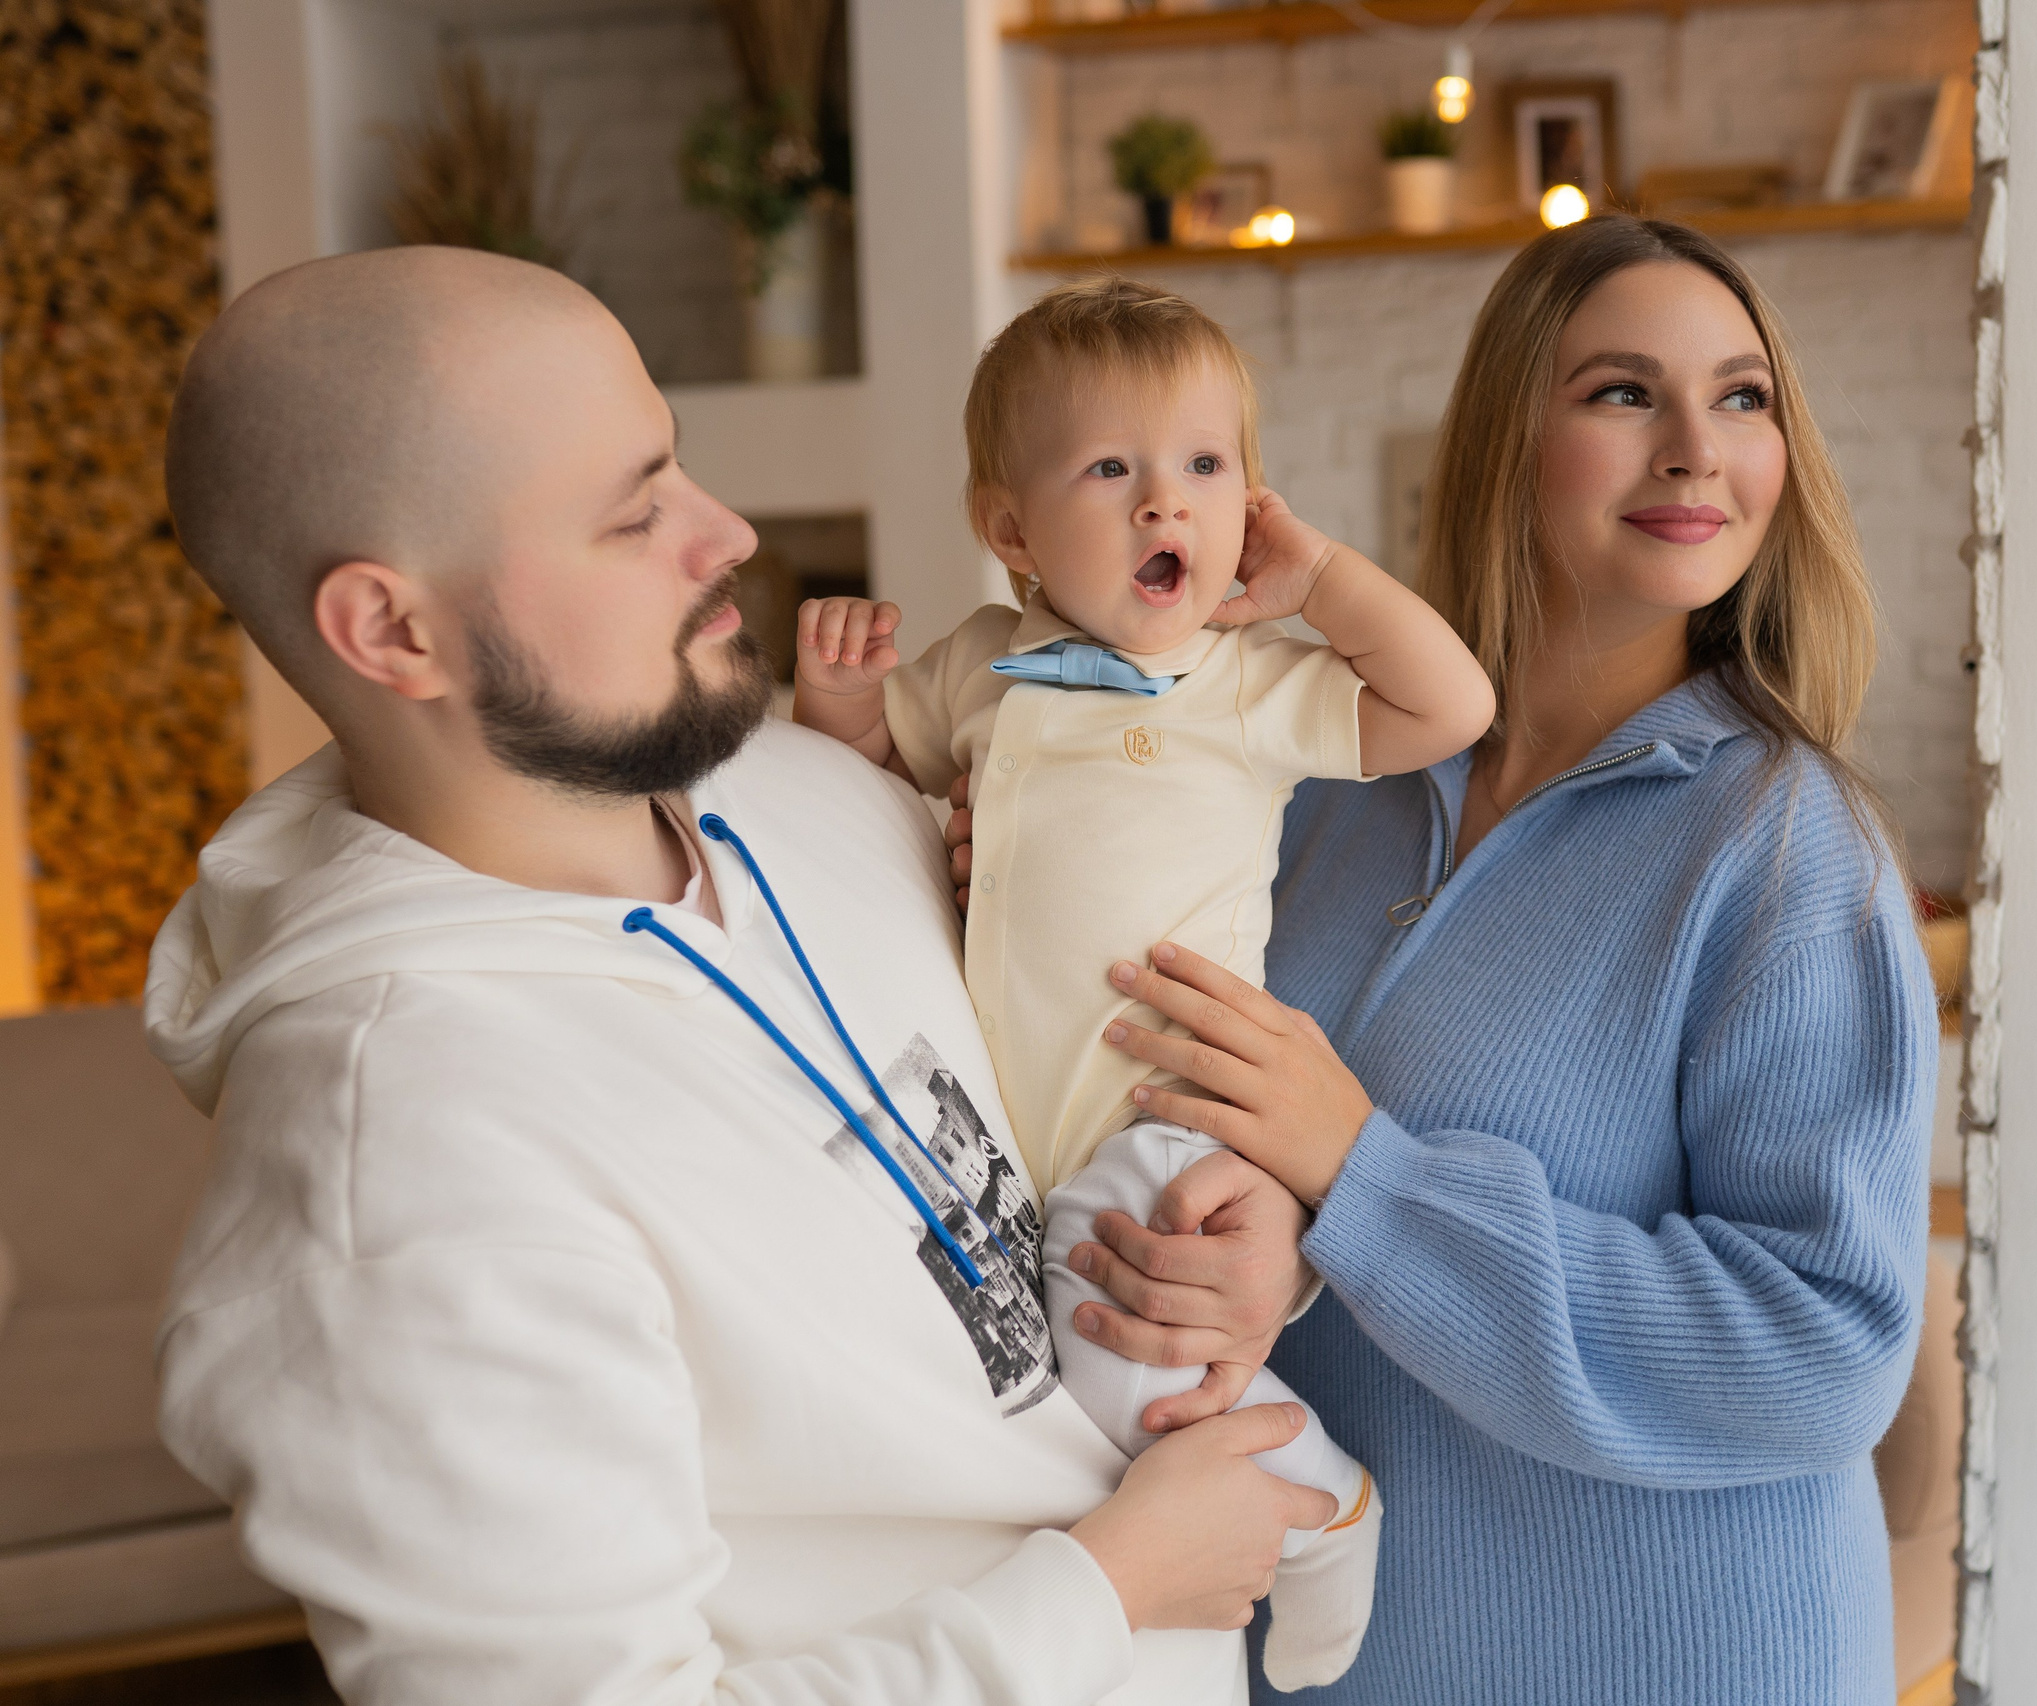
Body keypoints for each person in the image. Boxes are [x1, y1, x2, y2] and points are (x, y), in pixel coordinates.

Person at [143, 246, 1338, 1706]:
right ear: (393, 628)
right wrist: (1108, 1589)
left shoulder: (807, 790)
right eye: (633, 511)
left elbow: (1055, 1132)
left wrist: (1249, 1241)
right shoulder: (390, 1162)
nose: (725, 533)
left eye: (680, 467)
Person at [1025, 215, 1936, 1702]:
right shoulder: (1332, 777)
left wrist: (1365, 1175)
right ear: (1511, 435)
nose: (1698, 450)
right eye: (1624, 393)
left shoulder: (1785, 848)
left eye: (1744, 397)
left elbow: (1824, 1344)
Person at [789, 278, 1494, 1692]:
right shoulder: (988, 670)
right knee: (1059, 1360)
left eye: (1204, 468)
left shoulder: (1245, 680)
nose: (1164, 505)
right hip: (1026, 1129)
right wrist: (839, 708)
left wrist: (1326, 582)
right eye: (1112, 470)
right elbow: (872, 798)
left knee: (1118, 1351)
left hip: (1177, 1110)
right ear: (1010, 529)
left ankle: (1319, 1504)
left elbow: (1449, 706)